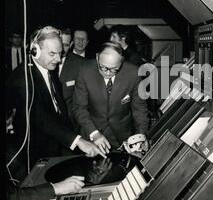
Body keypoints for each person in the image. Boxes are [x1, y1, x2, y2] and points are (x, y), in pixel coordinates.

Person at [6, 26, 106, 182]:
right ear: (35, 50)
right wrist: (78, 141)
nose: (58, 60)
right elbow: (41, 118)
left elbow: (59, 110)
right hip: (33, 157)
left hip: (55, 146)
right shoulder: (22, 80)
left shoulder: (49, 69)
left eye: (60, 54)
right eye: (52, 54)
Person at [73, 42, 149, 151]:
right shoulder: (85, 71)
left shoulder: (133, 73)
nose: (108, 73)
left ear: (121, 62)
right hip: (92, 134)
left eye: (114, 69)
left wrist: (141, 136)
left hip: (122, 137)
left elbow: (140, 109)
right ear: (97, 57)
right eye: (103, 67)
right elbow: (79, 108)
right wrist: (94, 134)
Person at [57, 28, 85, 129]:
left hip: (70, 125)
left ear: (71, 44)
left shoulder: (81, 64)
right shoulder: (41, 61)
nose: (61, 49)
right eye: (59, 44)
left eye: (66, 45)